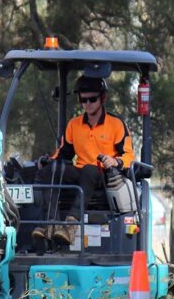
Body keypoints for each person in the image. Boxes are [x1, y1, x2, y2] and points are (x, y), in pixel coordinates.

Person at [32, 76, 134, 248]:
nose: (87, 104)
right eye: (83, 99)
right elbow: (64, 153)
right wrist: (49, 162)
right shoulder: (74, 125)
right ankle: (50, 224)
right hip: (81, 173)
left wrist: (115, 161)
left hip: (102, 175)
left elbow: (129, 155)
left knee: (90, 169)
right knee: (52, 170)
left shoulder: (116, 124)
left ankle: (70, 227)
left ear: (102, 98)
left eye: (92, 99)